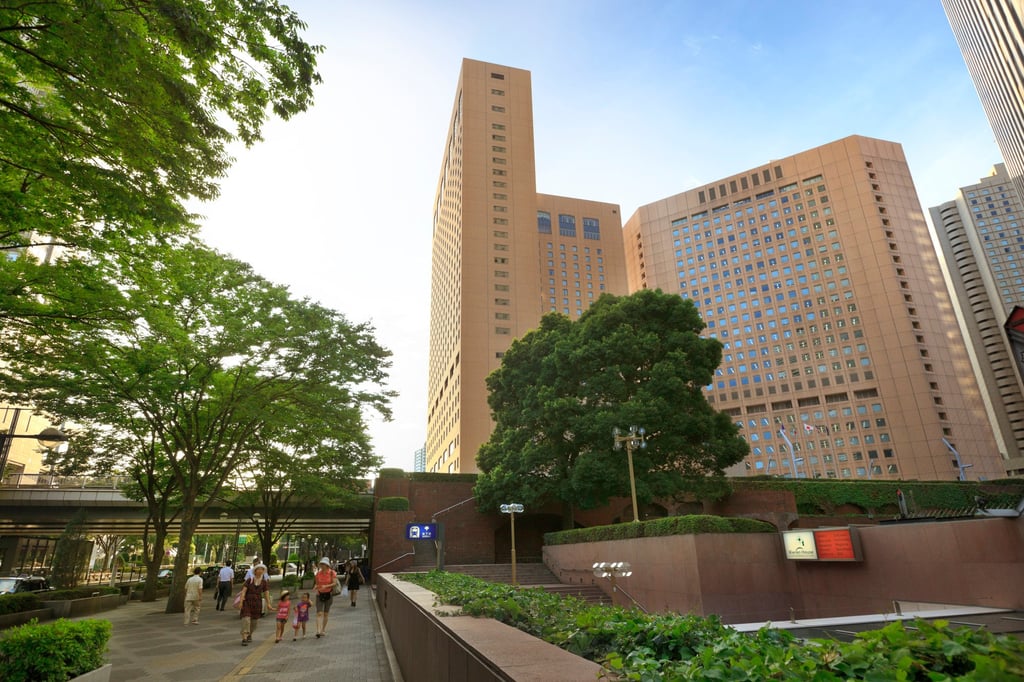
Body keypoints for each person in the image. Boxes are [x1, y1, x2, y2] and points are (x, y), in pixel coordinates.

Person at [236, 563, 271, 646]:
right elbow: (244, 591)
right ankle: (244, 637)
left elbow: (266, 593)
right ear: (255, 571)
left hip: (257, 603)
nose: (260, 571)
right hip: (247, 602)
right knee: (246, 619)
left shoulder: (264, 582)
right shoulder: (250, 580)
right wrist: (241, 601)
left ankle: (249, 634)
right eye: (258, 569)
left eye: (262, 569)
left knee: (254, 622)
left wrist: (268, 604)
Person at [313, 557, 337, 638]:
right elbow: (316, 583)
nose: (322, 566)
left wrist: (326, 586)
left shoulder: (332, 573)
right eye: (321, 564)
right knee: (319, 613)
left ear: (327, 565)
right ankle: (318, 630)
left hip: (328, 594)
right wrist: (315, 587)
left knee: (326, 613)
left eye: (323, 564)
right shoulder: (318, 574)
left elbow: (334, 583)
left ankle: (323, 629)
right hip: (319, 594)